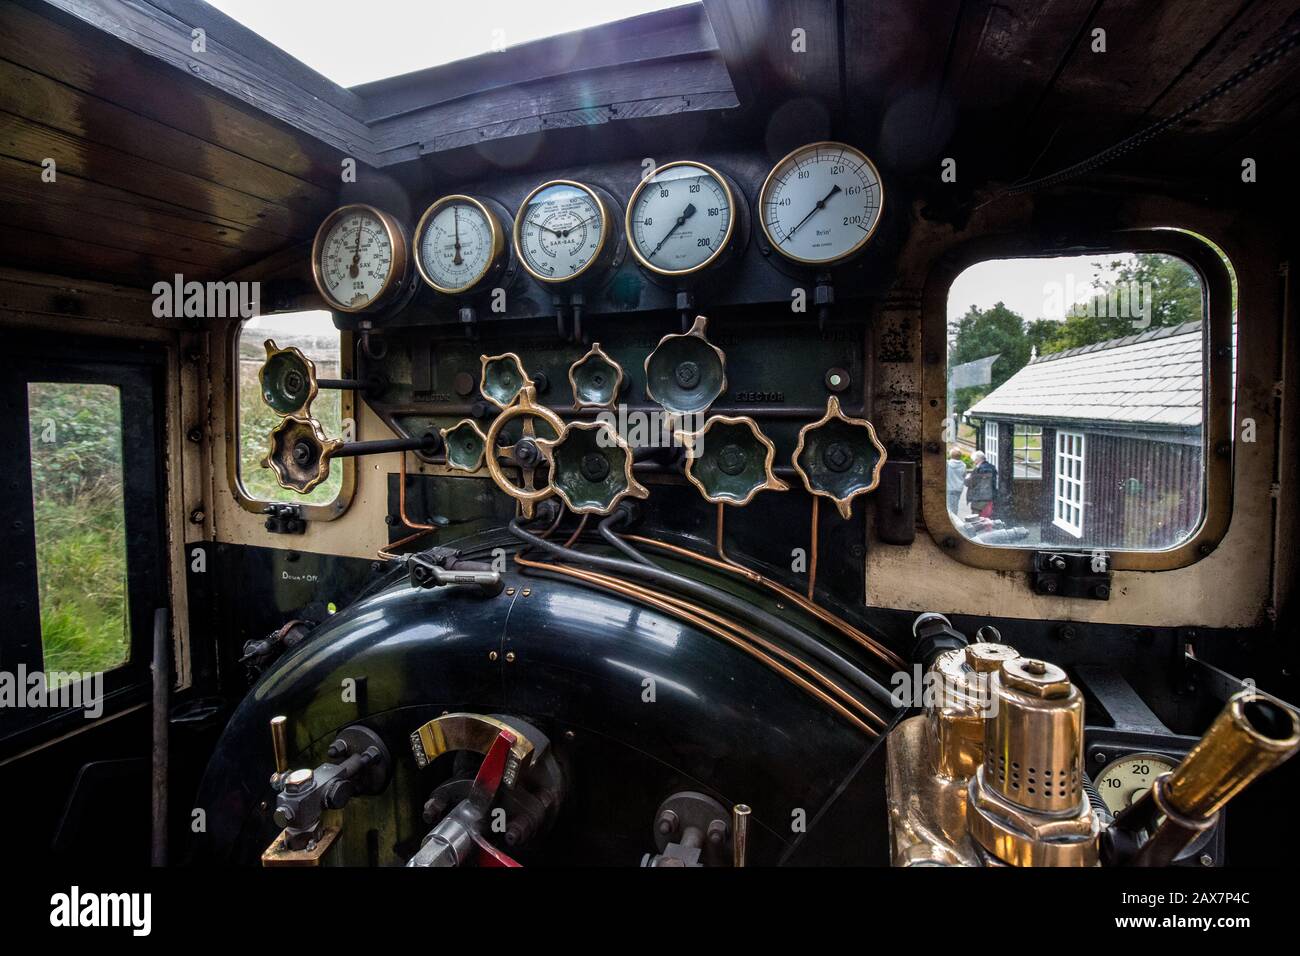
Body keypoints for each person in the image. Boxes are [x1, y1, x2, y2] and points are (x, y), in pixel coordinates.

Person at [966, 449, 998, 519]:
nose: (974, 462)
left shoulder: (979, 470)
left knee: (976, 519)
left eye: (974, 460)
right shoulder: (992, 467)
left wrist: (968, 478)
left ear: (977, 460)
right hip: (990, 497)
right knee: (987, 517)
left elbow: (970, 483)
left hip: (979, 499)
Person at [946, 447, 966, 514]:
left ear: (951, 455)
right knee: (955, 505)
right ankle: (954, 518)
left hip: (949, 488)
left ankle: (952, 520)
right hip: (959, 488)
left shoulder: (948, 464)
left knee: (949, 506)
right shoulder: (963, 465)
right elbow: (964, 475)